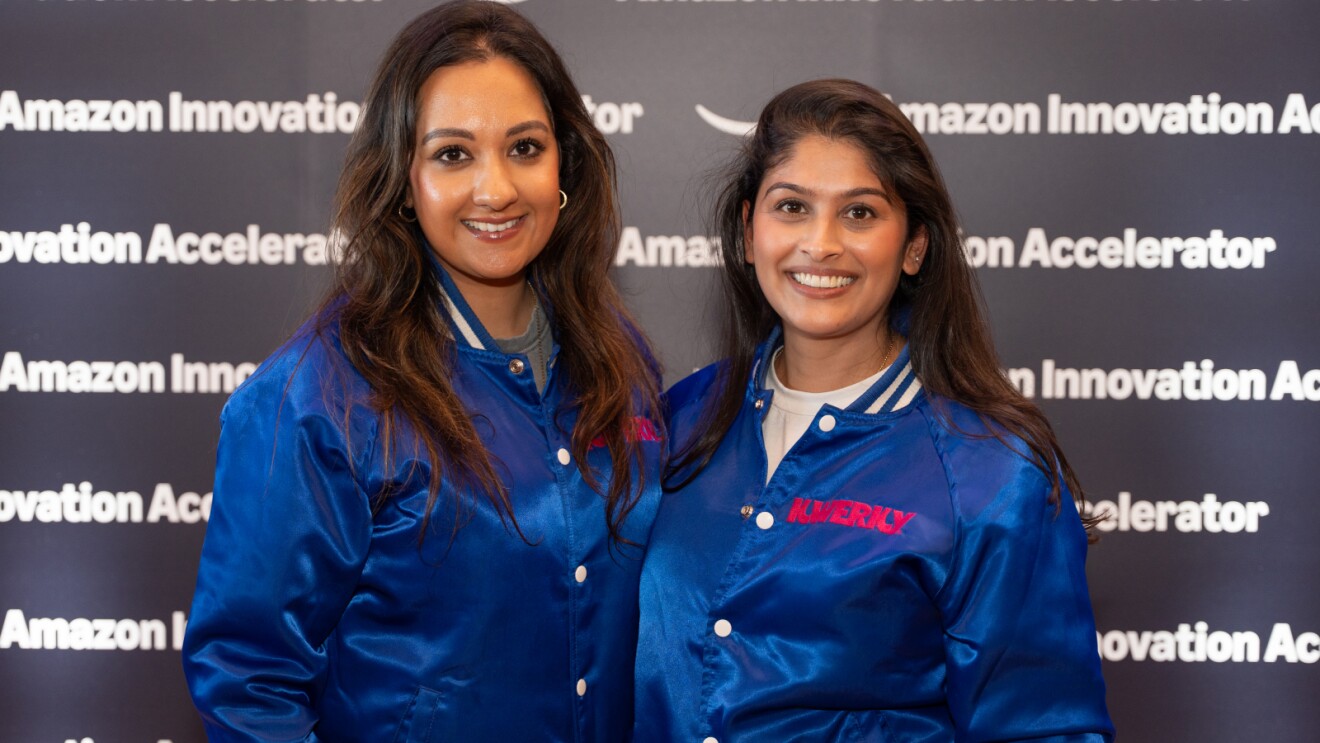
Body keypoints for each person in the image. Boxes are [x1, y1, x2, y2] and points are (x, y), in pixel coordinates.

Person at [182, 2, 663, 740]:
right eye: (453, 154)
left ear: (564, 162)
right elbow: (249, 682)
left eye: (525, 148)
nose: (496, 189)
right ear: (403, 180)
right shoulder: (314, 397)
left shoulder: (619, 360)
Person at [634, 79, 1114, 743]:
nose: (821, 243)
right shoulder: (678, 422)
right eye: (792, 207)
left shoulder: (992, 474)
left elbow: (1046, 728)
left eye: (859, 213)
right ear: (749, 231)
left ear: (914, 245)